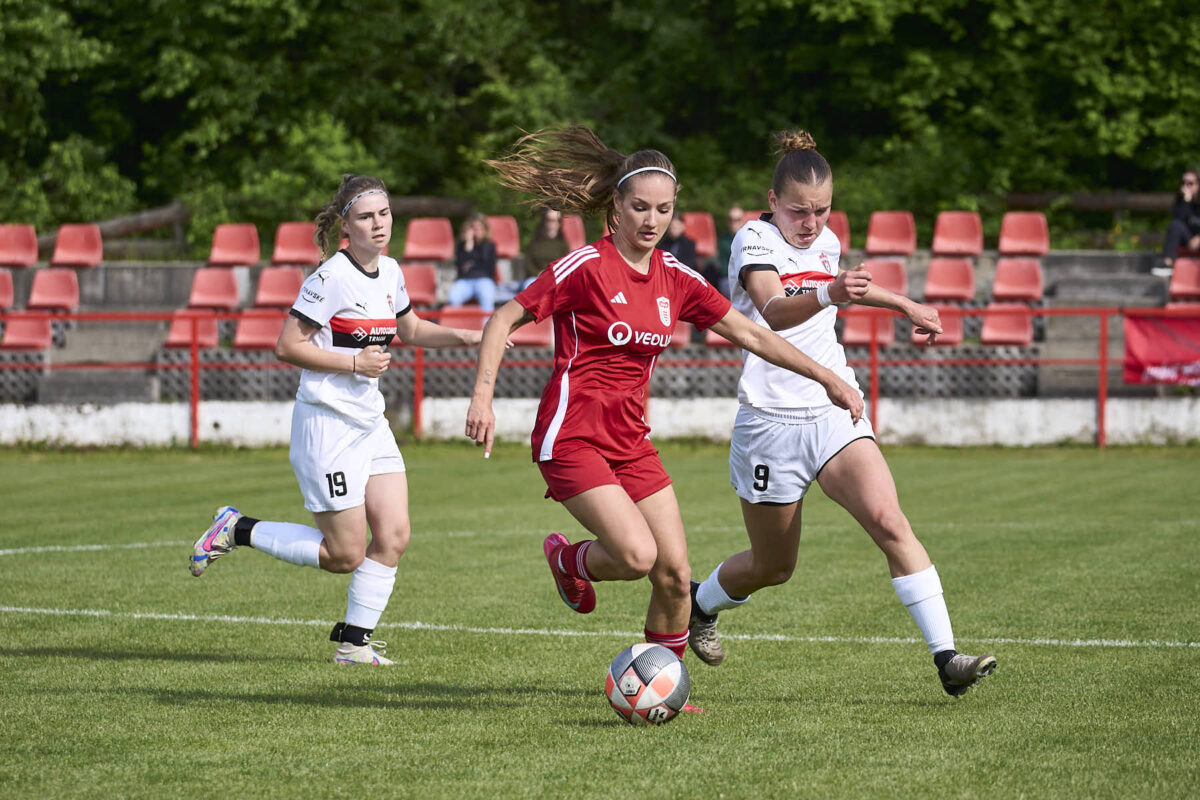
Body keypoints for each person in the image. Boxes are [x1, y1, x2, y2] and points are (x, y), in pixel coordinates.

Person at [464, 126, 864, 711]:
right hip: (571, 436)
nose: (652, 220)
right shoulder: (586, 266)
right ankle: (568, 559)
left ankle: (662, 687)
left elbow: (754, 333)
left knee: (676, 574)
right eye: (640, 207)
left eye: (664, 209)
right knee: (636, 556)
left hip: (631, 440)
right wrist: (483, 397)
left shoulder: (676, 277)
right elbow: (503, 318)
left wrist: (827, 376)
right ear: (616, 206)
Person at [687, 129, 998, 698]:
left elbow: (845, 287)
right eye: (799, 211)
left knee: (890, 521)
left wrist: (905, 304)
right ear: (773, 200)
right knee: (772, 567)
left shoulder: (826, 241)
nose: (811, 223)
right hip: (770, 422)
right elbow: (774, 310)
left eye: (822, 210)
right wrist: (832, 292)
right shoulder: (753, 239)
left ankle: (947, 658)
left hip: (835, 411)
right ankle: (699, 605)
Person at [189, 174, 487, 665]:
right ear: (346, 225)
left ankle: (353, 645)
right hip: (327, 425)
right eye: (366, 216)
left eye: (384, 214)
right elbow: (287, 346)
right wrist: (353, 363)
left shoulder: (391, 271)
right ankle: (237, 528)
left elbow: (411, 329)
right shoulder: (328, 279)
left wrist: (468, 336)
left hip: (370, 423)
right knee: (344, 554)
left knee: (394, 536)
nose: (379, 224)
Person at [446, 213, 499, 311]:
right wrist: (469, 244)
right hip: (465, 281)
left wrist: (470, 264)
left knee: (487, 299)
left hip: (484, 280)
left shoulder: (489, 245)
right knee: (453, 298)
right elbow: (460, 266)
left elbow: (488, 267)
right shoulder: (462, 246)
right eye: (474, 228)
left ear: (485, 229)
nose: (477, 230)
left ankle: (487, 322)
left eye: (480, 227)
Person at [1154, 169, 1200, 277]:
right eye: (1183, 182)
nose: (1186, 186)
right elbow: (1179, 220)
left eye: (1190, 183)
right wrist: (1186, 201)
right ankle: (1168, 262)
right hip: (1188, 239)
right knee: (1175, 225)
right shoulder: (1181, 200)